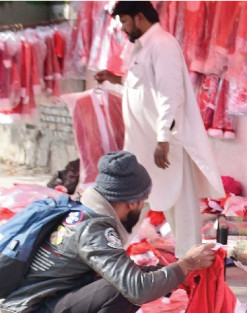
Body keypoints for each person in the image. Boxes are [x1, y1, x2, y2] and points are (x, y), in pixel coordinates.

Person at [0, 151, 216, 313]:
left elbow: (117, 274)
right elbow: (135, 288)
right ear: (133, 202)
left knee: (122, 283)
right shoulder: (94, 229)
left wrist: (171, 274)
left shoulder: (80, 214)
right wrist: (185, 265)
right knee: (120, 292)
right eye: (142, 203)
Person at [94, 1, 225, 258]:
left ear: (139, 17)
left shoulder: (162, 45)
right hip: (142, 146)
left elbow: (169, 93)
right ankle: (109, 258)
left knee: (182, 209)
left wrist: (163, 138)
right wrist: (114, 79)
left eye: (124, 21)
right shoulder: (142, 48)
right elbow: (143, 89)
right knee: (132, 202)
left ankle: (193, 267)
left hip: (166, 145)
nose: (122, 28)